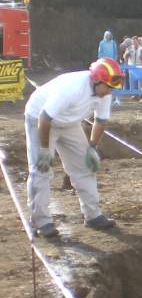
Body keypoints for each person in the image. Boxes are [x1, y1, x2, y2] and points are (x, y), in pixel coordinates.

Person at [24, 58, 122, 237]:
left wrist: (92, 147)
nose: (110, 92)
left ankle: (93, 215)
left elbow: (101, 120)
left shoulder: (105, 92)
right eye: (108, 87)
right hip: (40, 118)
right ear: (97, 80)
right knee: (41, 169)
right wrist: (45, 150)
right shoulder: (71, 89)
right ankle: (41, 221)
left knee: (84, 166)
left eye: (112, 88)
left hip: (69, 122)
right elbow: (44, 118)